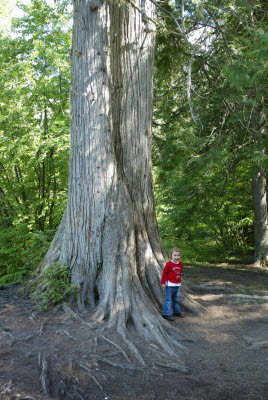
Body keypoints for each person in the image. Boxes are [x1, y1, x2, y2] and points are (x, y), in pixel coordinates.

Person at [161, 247, 184, 321]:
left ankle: (176, 311)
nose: (177, 257)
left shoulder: (180, 264)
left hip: (177, 285)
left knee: (176, 299)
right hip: (170, 285)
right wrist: (163, 282)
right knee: (168, 299)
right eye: (175, 255)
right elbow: (164, 273)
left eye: (178, 255)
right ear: (171, 256)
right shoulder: (169, 264)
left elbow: (179, 273)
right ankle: (166, 314)